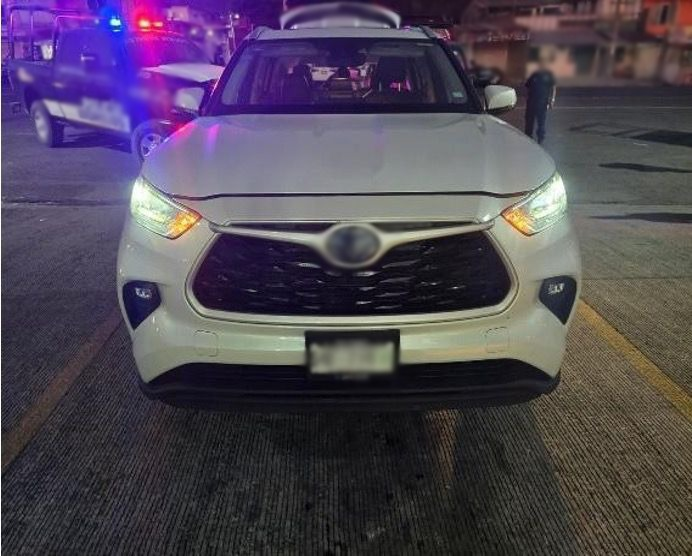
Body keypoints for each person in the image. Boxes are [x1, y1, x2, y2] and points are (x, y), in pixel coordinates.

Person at [524, 62, 556, 144]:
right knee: (529, 122)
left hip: (542, 103)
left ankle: (540, 139)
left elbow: (553, 87)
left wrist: (552, 100)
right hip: (531, 102)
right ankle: (528, 138)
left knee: (541, 123)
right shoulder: (534, 74)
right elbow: (527, 86)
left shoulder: (548, 75)